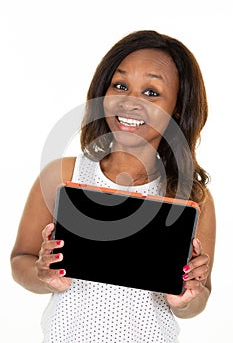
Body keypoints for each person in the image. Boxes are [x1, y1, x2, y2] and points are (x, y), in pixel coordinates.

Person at [10, 30, 216, 343]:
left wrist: (187, 296)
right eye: (120, 85)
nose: (129, 101)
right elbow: (20, 260)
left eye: (151, 92)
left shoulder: (190, 196)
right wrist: (44, 275)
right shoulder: (64, 175)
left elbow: (198, 300)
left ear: (177, 108)